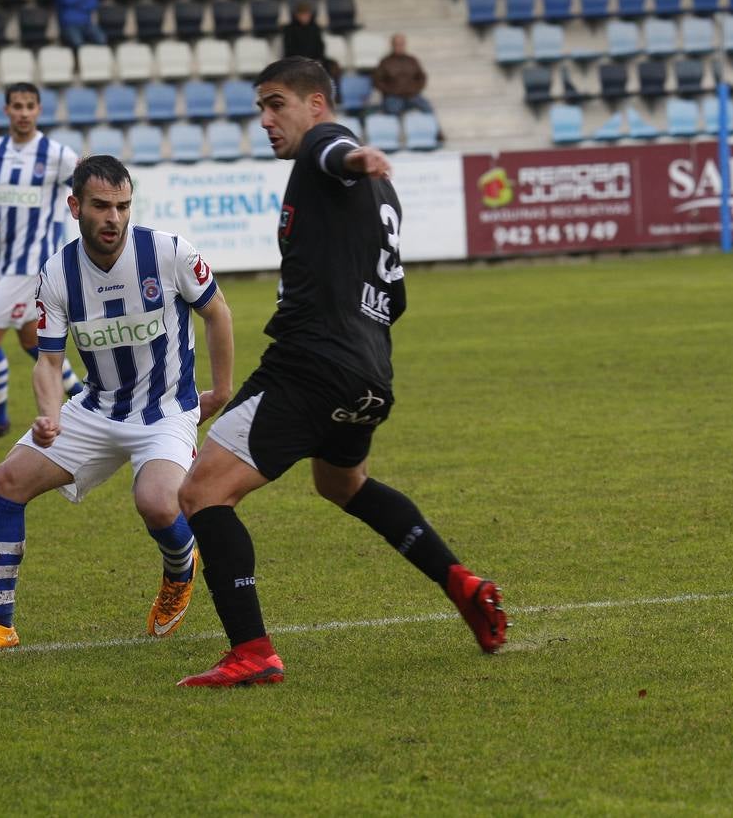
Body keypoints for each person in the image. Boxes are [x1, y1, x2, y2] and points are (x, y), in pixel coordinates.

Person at [174, 57, 507, 687]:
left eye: (277, 105)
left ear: (315, 104)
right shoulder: (384, 197)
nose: (266, 120)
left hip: (310, 362)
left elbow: (336, 151)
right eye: (259, 109)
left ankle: (252, 650)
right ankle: (460, 582)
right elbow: (396, 297)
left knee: (200, 493)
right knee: (343, 485)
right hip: (368, 373)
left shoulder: (327, 151)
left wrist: (354, 158)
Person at [0, 155, 235, 652]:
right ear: (74, 205)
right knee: (5, 482)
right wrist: (49, 415)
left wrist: (222, 390)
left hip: (165, 410)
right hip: (96, 407)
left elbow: (218, 313)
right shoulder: (57, 273)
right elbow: (46, 359)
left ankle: (180, 567)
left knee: (157, 503)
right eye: (102, 206)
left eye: (123, 206)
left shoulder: (168, 252)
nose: (114, 218)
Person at [0, 82, 89, 446]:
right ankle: (85, 399)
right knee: (32, 341)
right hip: (6, 262)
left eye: (29, 106)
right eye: (16, 105)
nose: (23, 112)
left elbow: (88, 181)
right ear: (6, 110)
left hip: (32, 264)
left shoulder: (55, 153)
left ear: (38, 110)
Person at [372, 33, 436, 117]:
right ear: (392, 45)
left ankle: (436, 129)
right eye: (397, 44)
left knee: (428, 109)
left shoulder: (412, 60)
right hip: (393, 96)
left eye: (401, 44)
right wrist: (390, 91)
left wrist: (415, 89)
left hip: (412, 95)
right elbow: (377, 80)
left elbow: (421, 77)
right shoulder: (385, 62)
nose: (399, 47)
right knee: (392, 111)